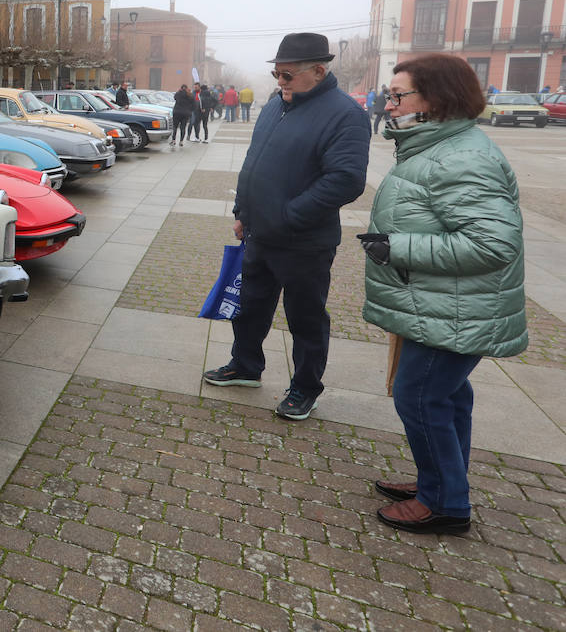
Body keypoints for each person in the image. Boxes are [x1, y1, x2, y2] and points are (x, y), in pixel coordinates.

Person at [360, 54, 527, 534]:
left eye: (398, 96)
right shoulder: (438, 148)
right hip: (441, 305)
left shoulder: (462, 157)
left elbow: (492, 243)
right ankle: (437, 481)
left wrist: (397, 247)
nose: (388, 105)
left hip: (455, 309)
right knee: (446, 397)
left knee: (420, 398)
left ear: (436, 99)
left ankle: (446, 504)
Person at [204, 33, 370, 420]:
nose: (280, 81)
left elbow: (346, 180)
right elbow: (253, 162)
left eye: (287, 75)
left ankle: (305, 387)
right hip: (260, 234)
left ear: (318, 70)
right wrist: (242, 210)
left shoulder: (345, 113)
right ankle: (245, 366)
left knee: (306, 318)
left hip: (304, 241)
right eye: (277, 74)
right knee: (250, 306)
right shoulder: (275, 105)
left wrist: (288, 216)